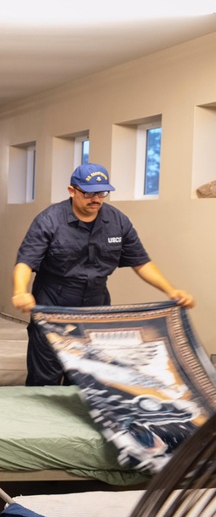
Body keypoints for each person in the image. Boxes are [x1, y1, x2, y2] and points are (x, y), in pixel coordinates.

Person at [12, 163, 195, 386]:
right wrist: (20, 291)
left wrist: (171, 290)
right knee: (45, 378)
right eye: (89, 193)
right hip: (52, 307)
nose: (96, 199)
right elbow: (26, 261)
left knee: (86, 379)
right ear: (72, 191)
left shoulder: (118, 221)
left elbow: (141, 262)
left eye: (101, 193)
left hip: (95, 310)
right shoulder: (49, 220)